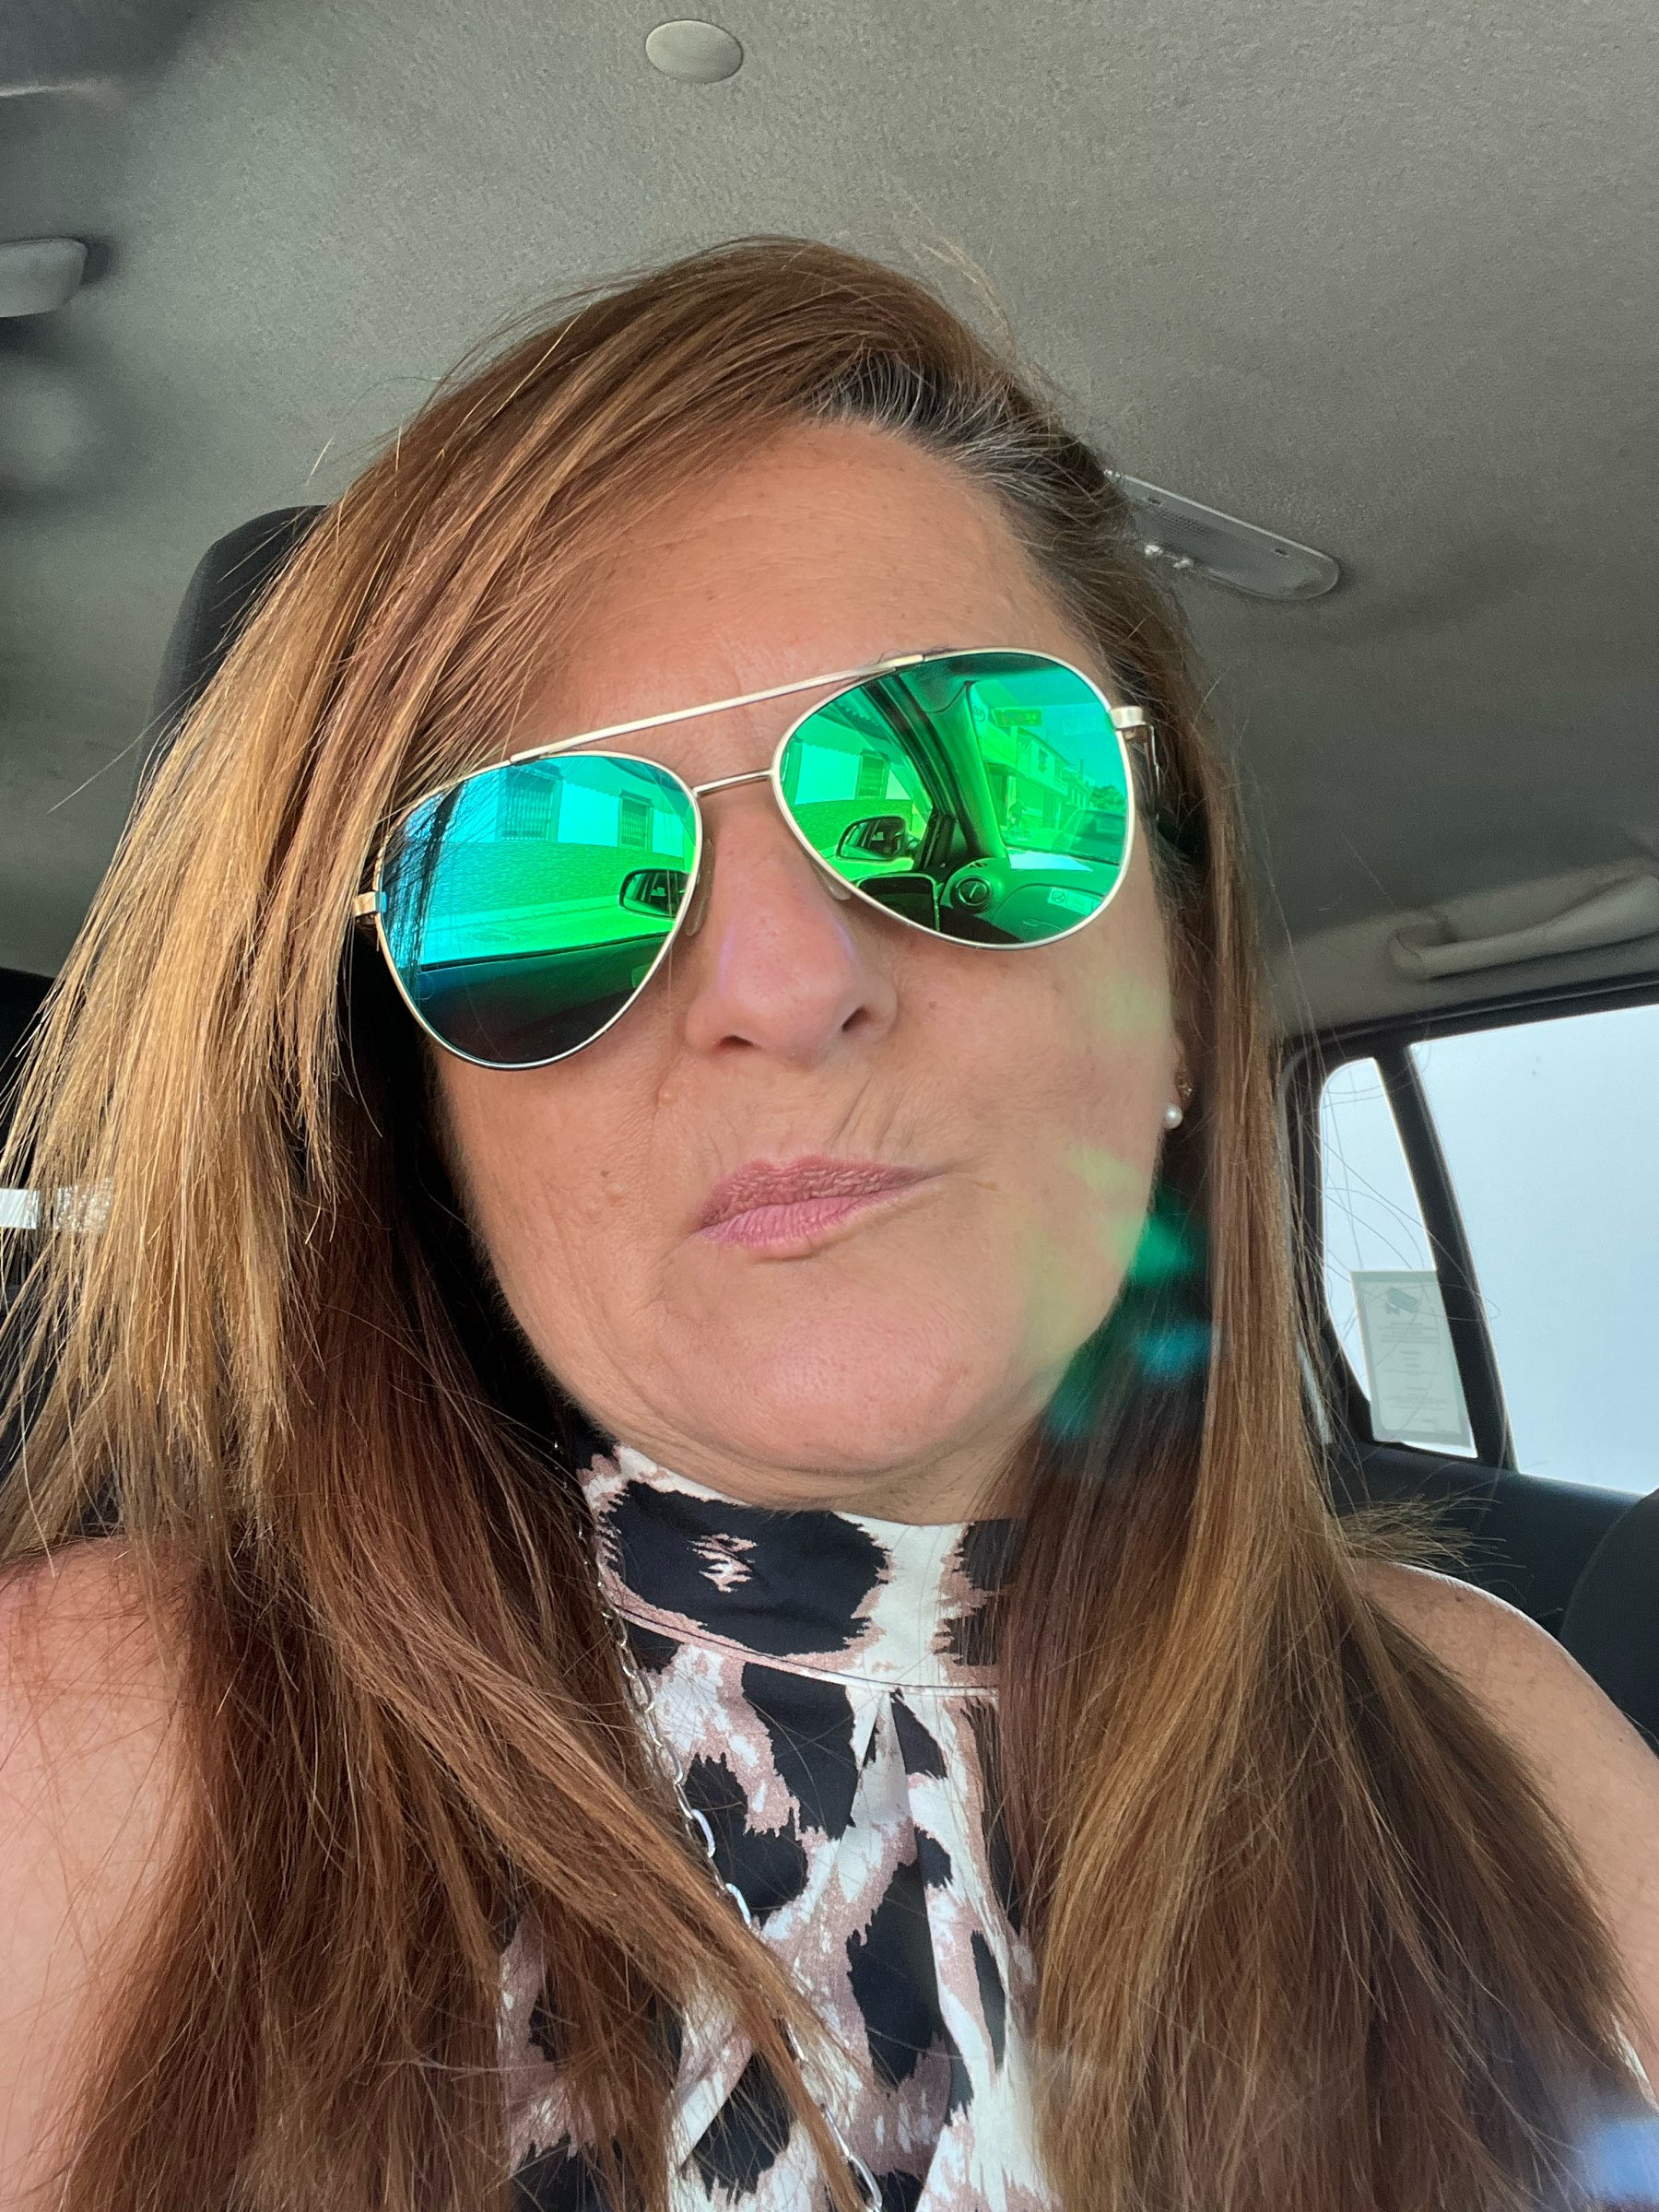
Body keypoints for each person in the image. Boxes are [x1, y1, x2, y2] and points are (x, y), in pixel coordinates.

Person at [0, 237, 1654, 2212]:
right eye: (535, 877)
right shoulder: (97, 1754)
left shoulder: (1490, 1730)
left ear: (1184, 989)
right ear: (426, 1118)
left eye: (959, 790)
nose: (784, 984)